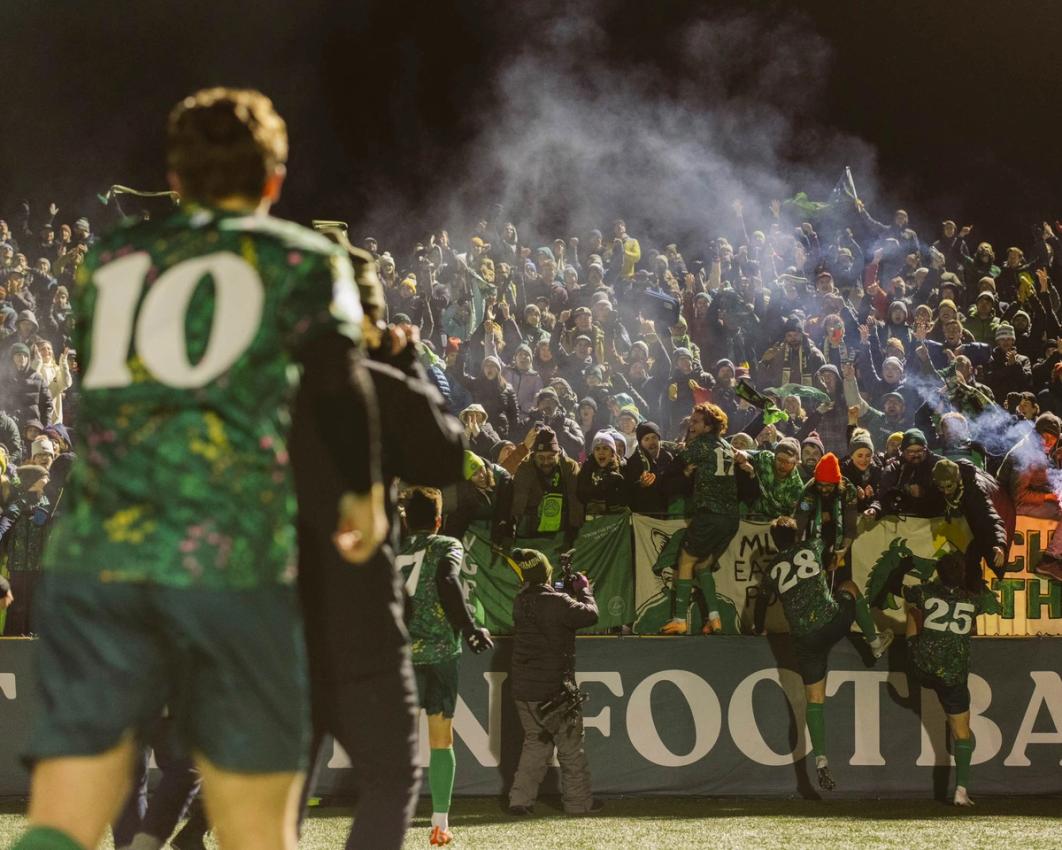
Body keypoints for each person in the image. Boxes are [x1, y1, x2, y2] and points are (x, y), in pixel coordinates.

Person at [14, 88, 388, 850]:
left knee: (67, 813)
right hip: (226, 560)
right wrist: (364, 496)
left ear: (175, 179)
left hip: (100, 560)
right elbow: (341, 383)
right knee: (254, 825)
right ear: (274, 181)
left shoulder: (109, 260)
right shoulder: (302, 256)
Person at [755, 518, 893, 791]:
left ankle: (820, 759)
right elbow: (831, 546)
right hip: (831, 623)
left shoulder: (771, 570)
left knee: (814, 701)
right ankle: (875, 641)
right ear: (797, 535)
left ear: (774, 541)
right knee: (849, 587)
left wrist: (757, 627)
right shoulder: (811, 545)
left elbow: (761, 603)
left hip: (805, 640)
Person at [398, 488, 493, 847]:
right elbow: (447, 580)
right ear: (438, 520)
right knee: (441, 739)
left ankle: (390, 817)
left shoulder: (395, 550)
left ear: (407, 519)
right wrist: (470, 628)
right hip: (439, 651)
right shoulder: (446, 545)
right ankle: (440, 824)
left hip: (400, 654)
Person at [506, 548, 602, 816]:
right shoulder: (559, 603)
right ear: (546, 573)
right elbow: (590, 615)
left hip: (524, 691)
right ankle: (579, 804)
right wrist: (584, 589)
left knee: (535, 744)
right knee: (571, 748)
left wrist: (565, 593)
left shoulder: (520, 602)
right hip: (554, 692)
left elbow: (550, 611)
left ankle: (520, 801)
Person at [901, 552, 990, 807]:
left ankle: (908, 651)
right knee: (962, 735)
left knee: (914, 613)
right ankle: (961, 790)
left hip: (922, 668)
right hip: (953, 675)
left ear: (938, 573)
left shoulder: (923, 592)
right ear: (962, 575)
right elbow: (976, 615)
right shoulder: (974, 601)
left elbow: (904, 592)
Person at [662, 403, 749, 635]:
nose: (692, 424)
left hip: (709, 514)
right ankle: (714, 618)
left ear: (708, 425)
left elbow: (677, 461)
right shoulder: (727, 446)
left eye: (696, 421)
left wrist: (679, 449)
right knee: (703, 565)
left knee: (686, 562)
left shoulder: (701, 445)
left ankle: (680, 620)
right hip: (731, 518)